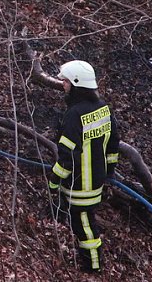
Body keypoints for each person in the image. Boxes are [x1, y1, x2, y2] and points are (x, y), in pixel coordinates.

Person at [48, 60, 120, 274]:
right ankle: (89, 260)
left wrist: (53, 181)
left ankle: (94, 265)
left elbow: (67, 156)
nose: (64, 85)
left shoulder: (73, 115)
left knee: (84, 226)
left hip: (79, 184)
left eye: (67, 82)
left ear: (77, 84)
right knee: (83, 221)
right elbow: (113, 144)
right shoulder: (103, 109)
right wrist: (109, 172)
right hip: (96, 180)